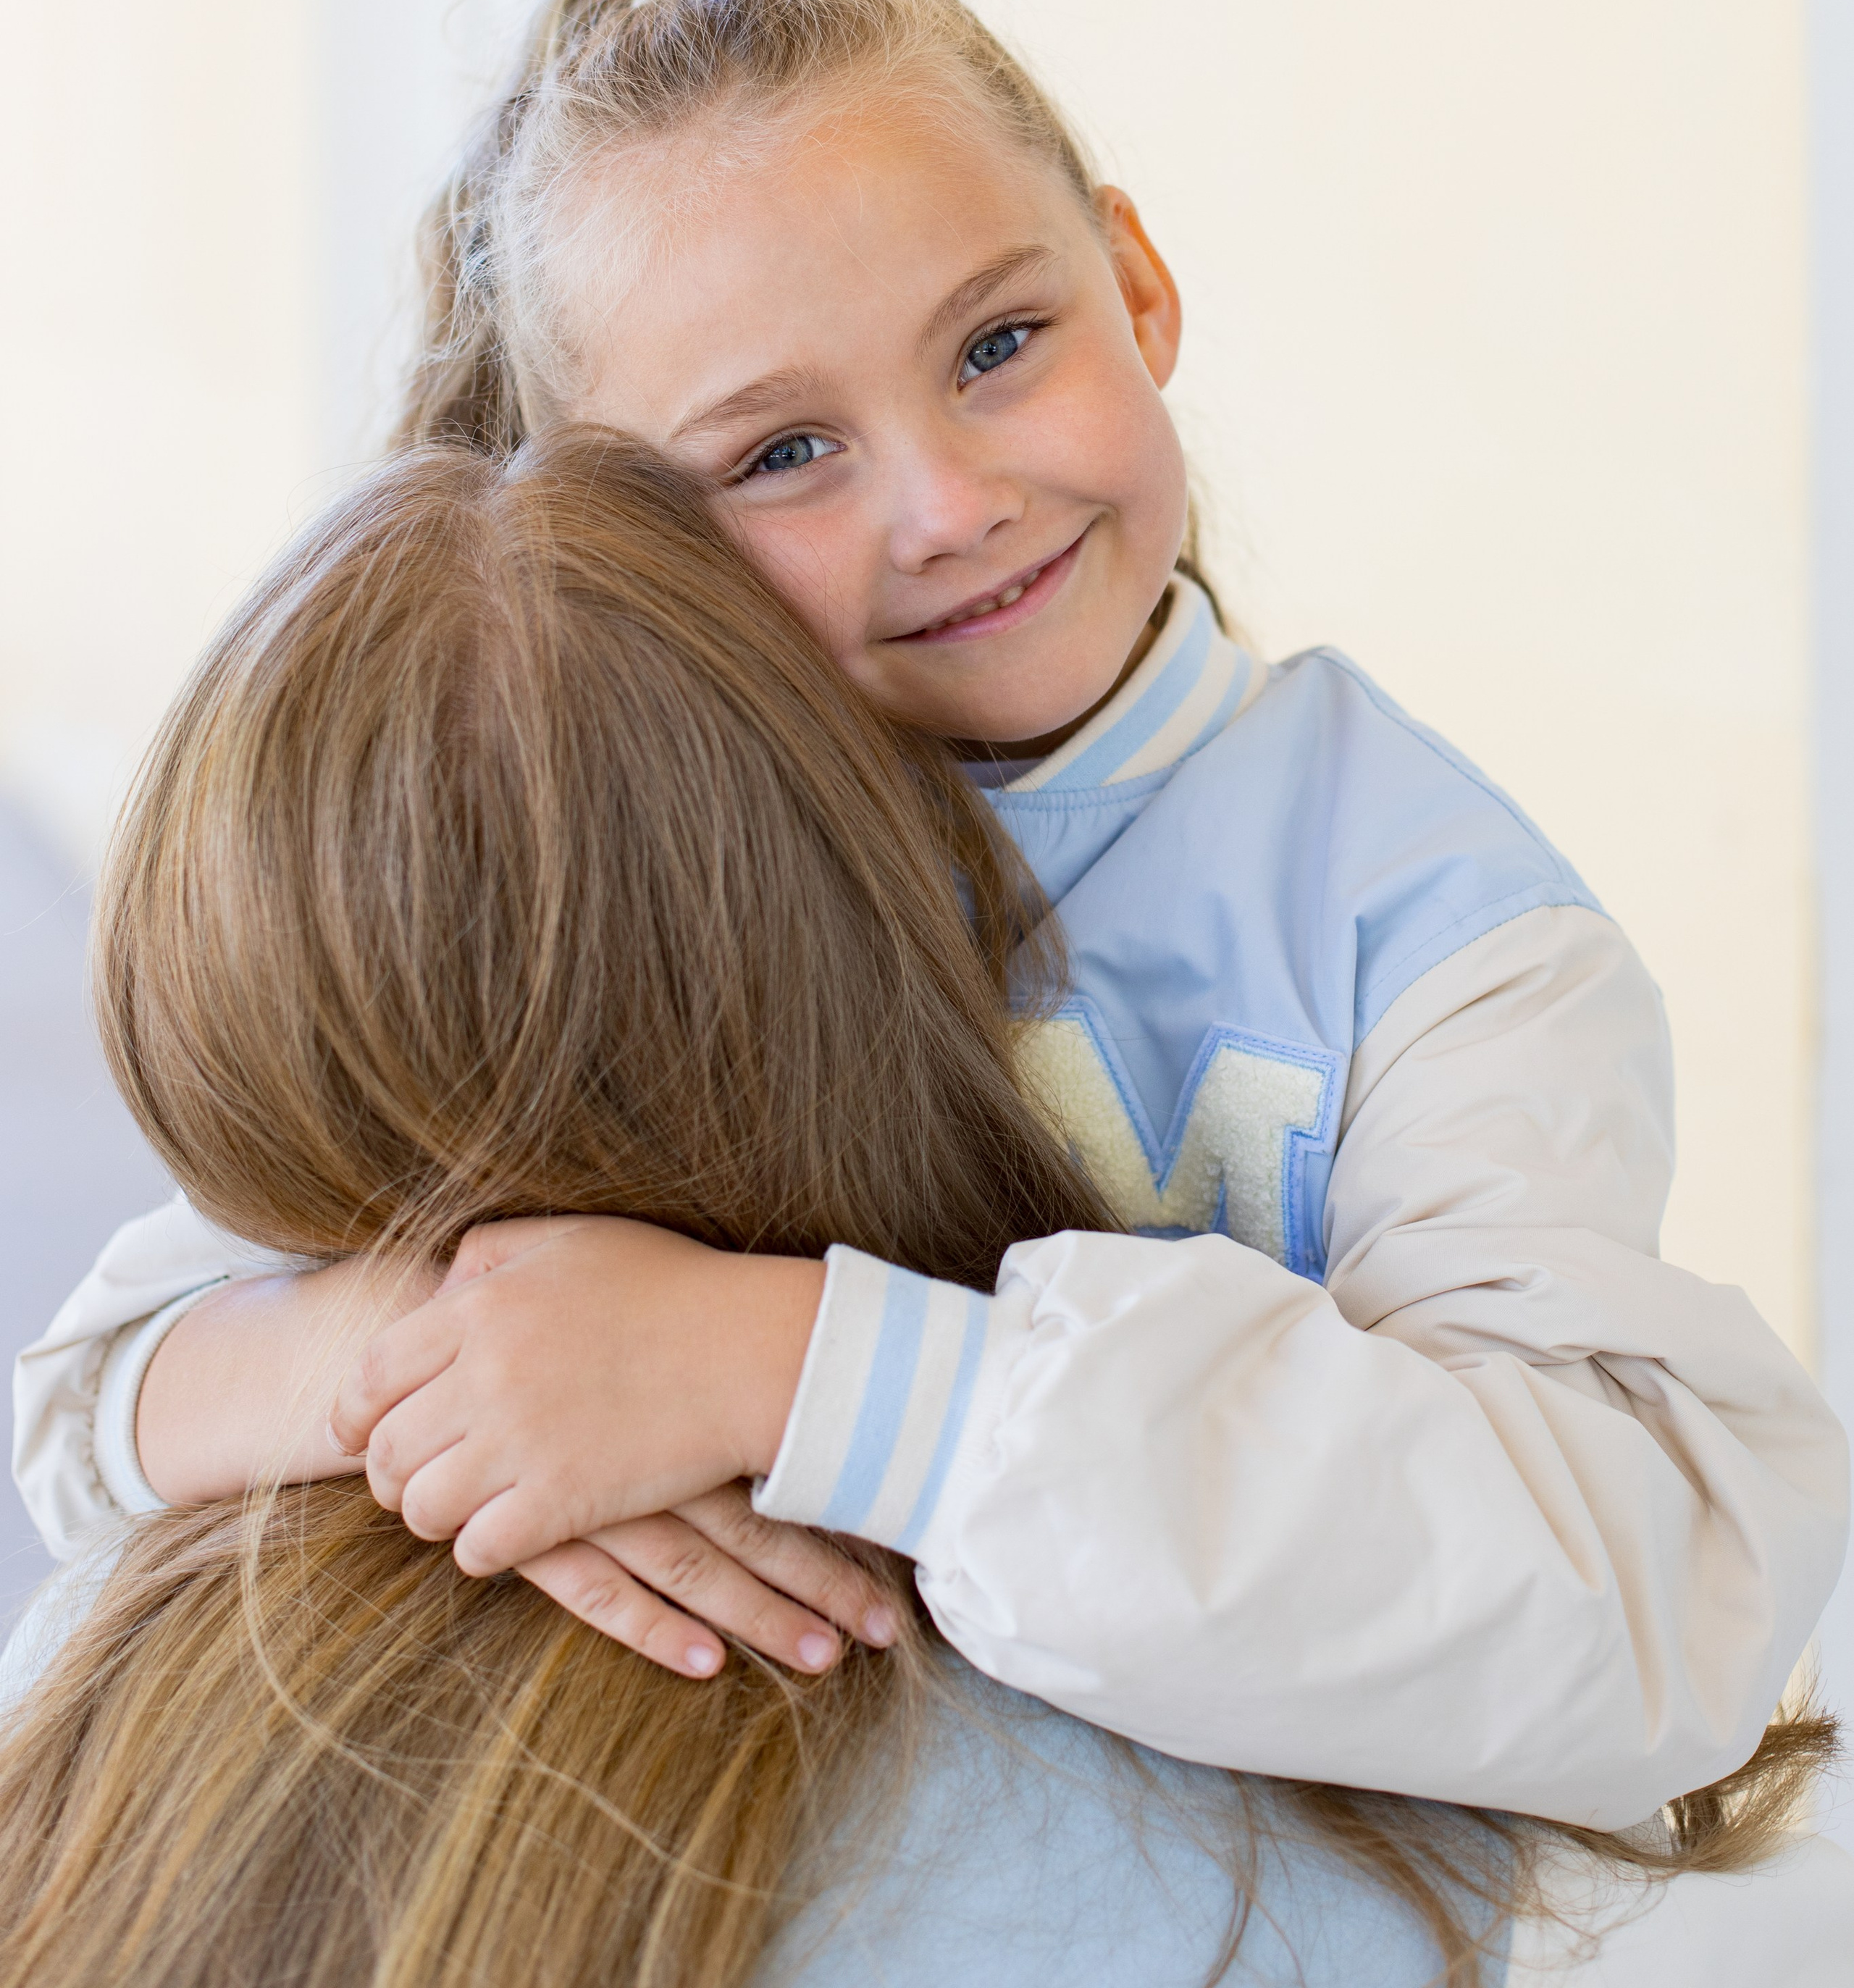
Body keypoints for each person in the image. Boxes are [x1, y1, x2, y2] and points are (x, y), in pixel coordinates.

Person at [15, 0, 1847, 1830]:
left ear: (1134, 287)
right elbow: (102, 1397)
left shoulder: (1445, 940)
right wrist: (489, 1370)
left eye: (998, 345)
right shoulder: (602, 867)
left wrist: (781, 1371)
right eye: (784, 451)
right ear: (608, 531)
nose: (948, 502)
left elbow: (1640, 1616)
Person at [0, 431, 1629, 1988]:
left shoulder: (76, 1701)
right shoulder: (1283, 1850)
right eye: (777, 458)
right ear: (884, 933)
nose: (939, 516)